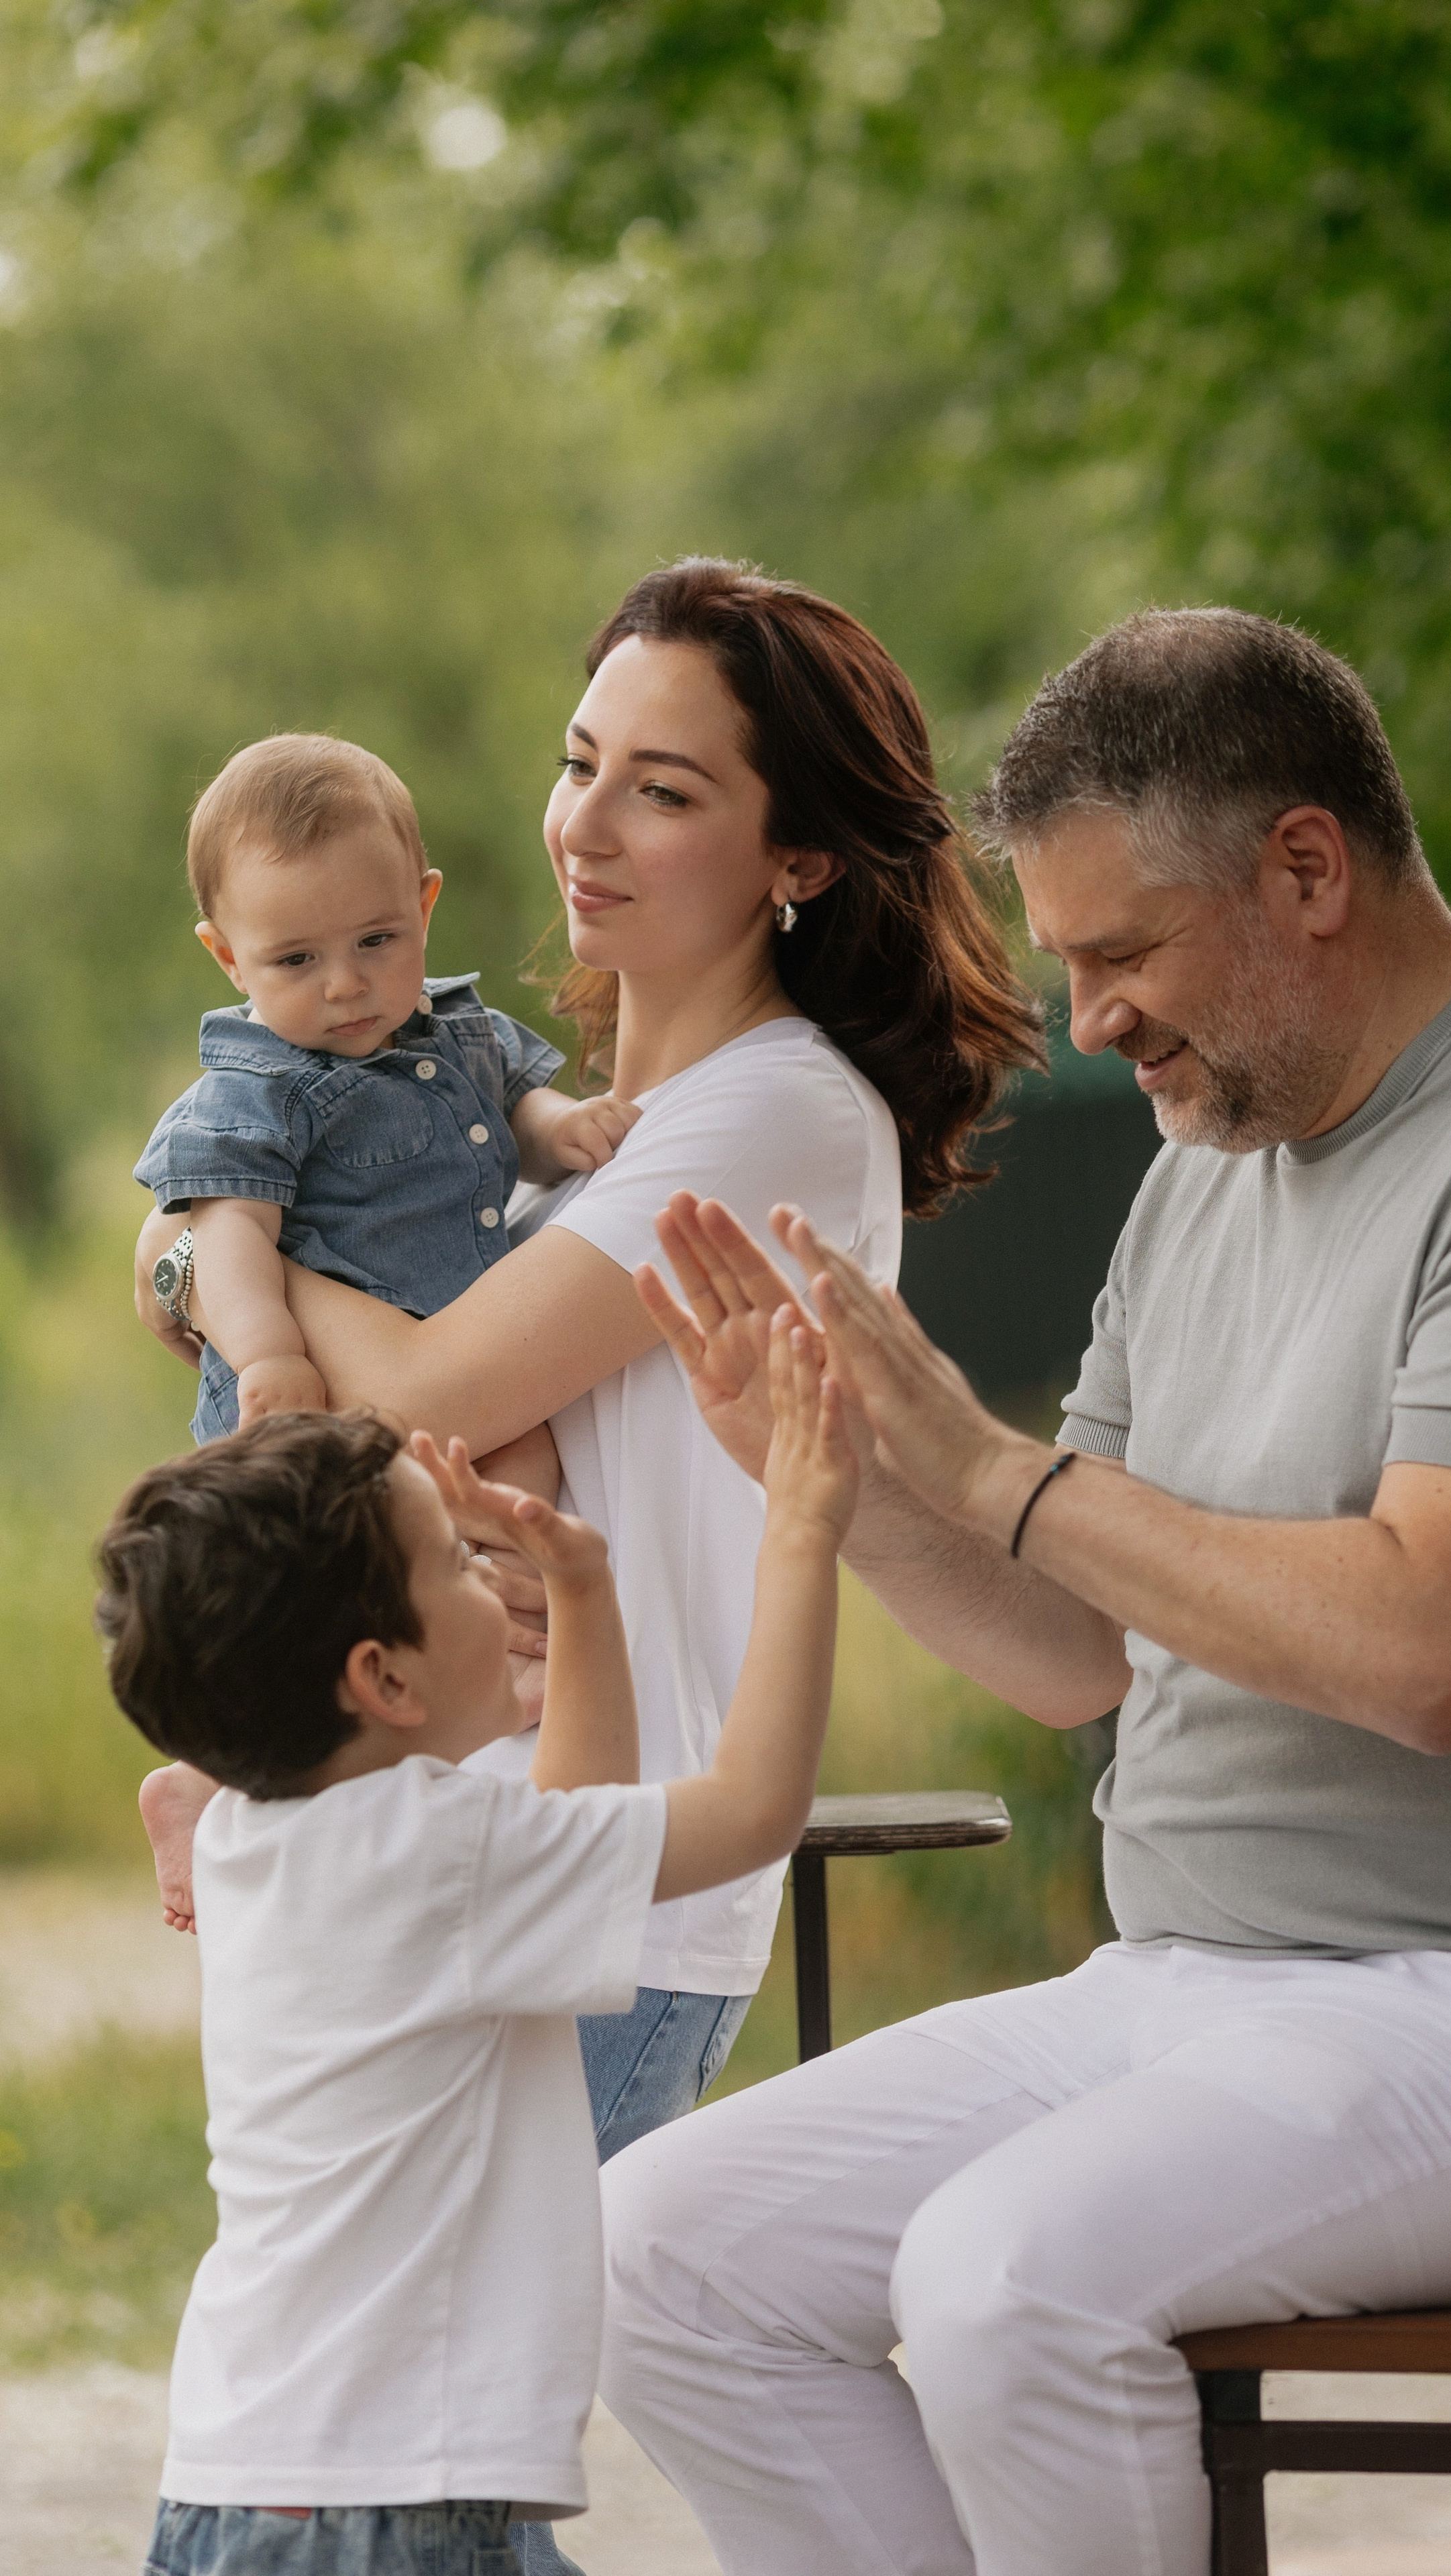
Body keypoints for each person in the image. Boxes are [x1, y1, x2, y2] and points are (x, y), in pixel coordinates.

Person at [602, 606, 1451, 2576]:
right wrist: (839, 1488)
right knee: (653, 2252)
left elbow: (1430, 1647)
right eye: (1064, 961)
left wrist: (995, 1470)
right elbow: (1077, 1653)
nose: (1089, 1018)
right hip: (1187, 1987)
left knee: (1004, 2279)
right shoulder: (1204, 1157)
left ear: (1305, 869)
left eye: (1121, 951)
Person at [131, 559, 1042, 2154]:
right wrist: (200, 1253)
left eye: (662, 790)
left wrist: (224, 1259)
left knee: (496, 2303)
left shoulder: (772, 1109)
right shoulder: (556, 1134)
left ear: (798, 857)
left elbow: (417, 1394)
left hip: (614, 1874)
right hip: (450, 1831)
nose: (585, 826)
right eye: (579, 764)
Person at [94, 1307, 855, 2576]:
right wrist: (801, 1531)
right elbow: (754, 1808)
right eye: (456, 1559)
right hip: (378, 2514)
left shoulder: (263, 1838)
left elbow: (575, 1818)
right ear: (384, 1680)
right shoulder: (436, 1854)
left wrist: (583, 1585)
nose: (484, 1571)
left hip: (253, 2481)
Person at [136, 731, 639, 1448]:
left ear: (423, 908)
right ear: (229, 958)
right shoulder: (255, 1092)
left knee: (529, 1468)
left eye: (376, 941)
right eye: (297, 959)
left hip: (460, 1349)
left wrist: (559, 1128)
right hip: (312, 1390)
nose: (345, 984)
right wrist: (268, 1353)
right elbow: (229, 1233)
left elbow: (513, 1105)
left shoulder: (459, 1028)